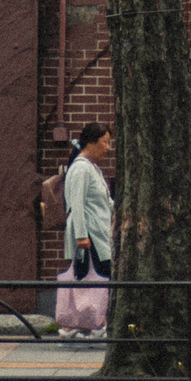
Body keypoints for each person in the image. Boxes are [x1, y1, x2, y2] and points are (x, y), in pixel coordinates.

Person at [60, 123, 114, 338]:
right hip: (90, 236)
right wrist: (81, 236)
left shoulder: (90, 167)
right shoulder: (82, 168)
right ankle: (92, 323)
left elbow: (103, 202)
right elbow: (77, 203)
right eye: (105, 142)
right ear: (91, 142)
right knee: (95, 278)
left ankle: (82, 324)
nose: (108, 147)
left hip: (96, 235)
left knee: (89, 279)